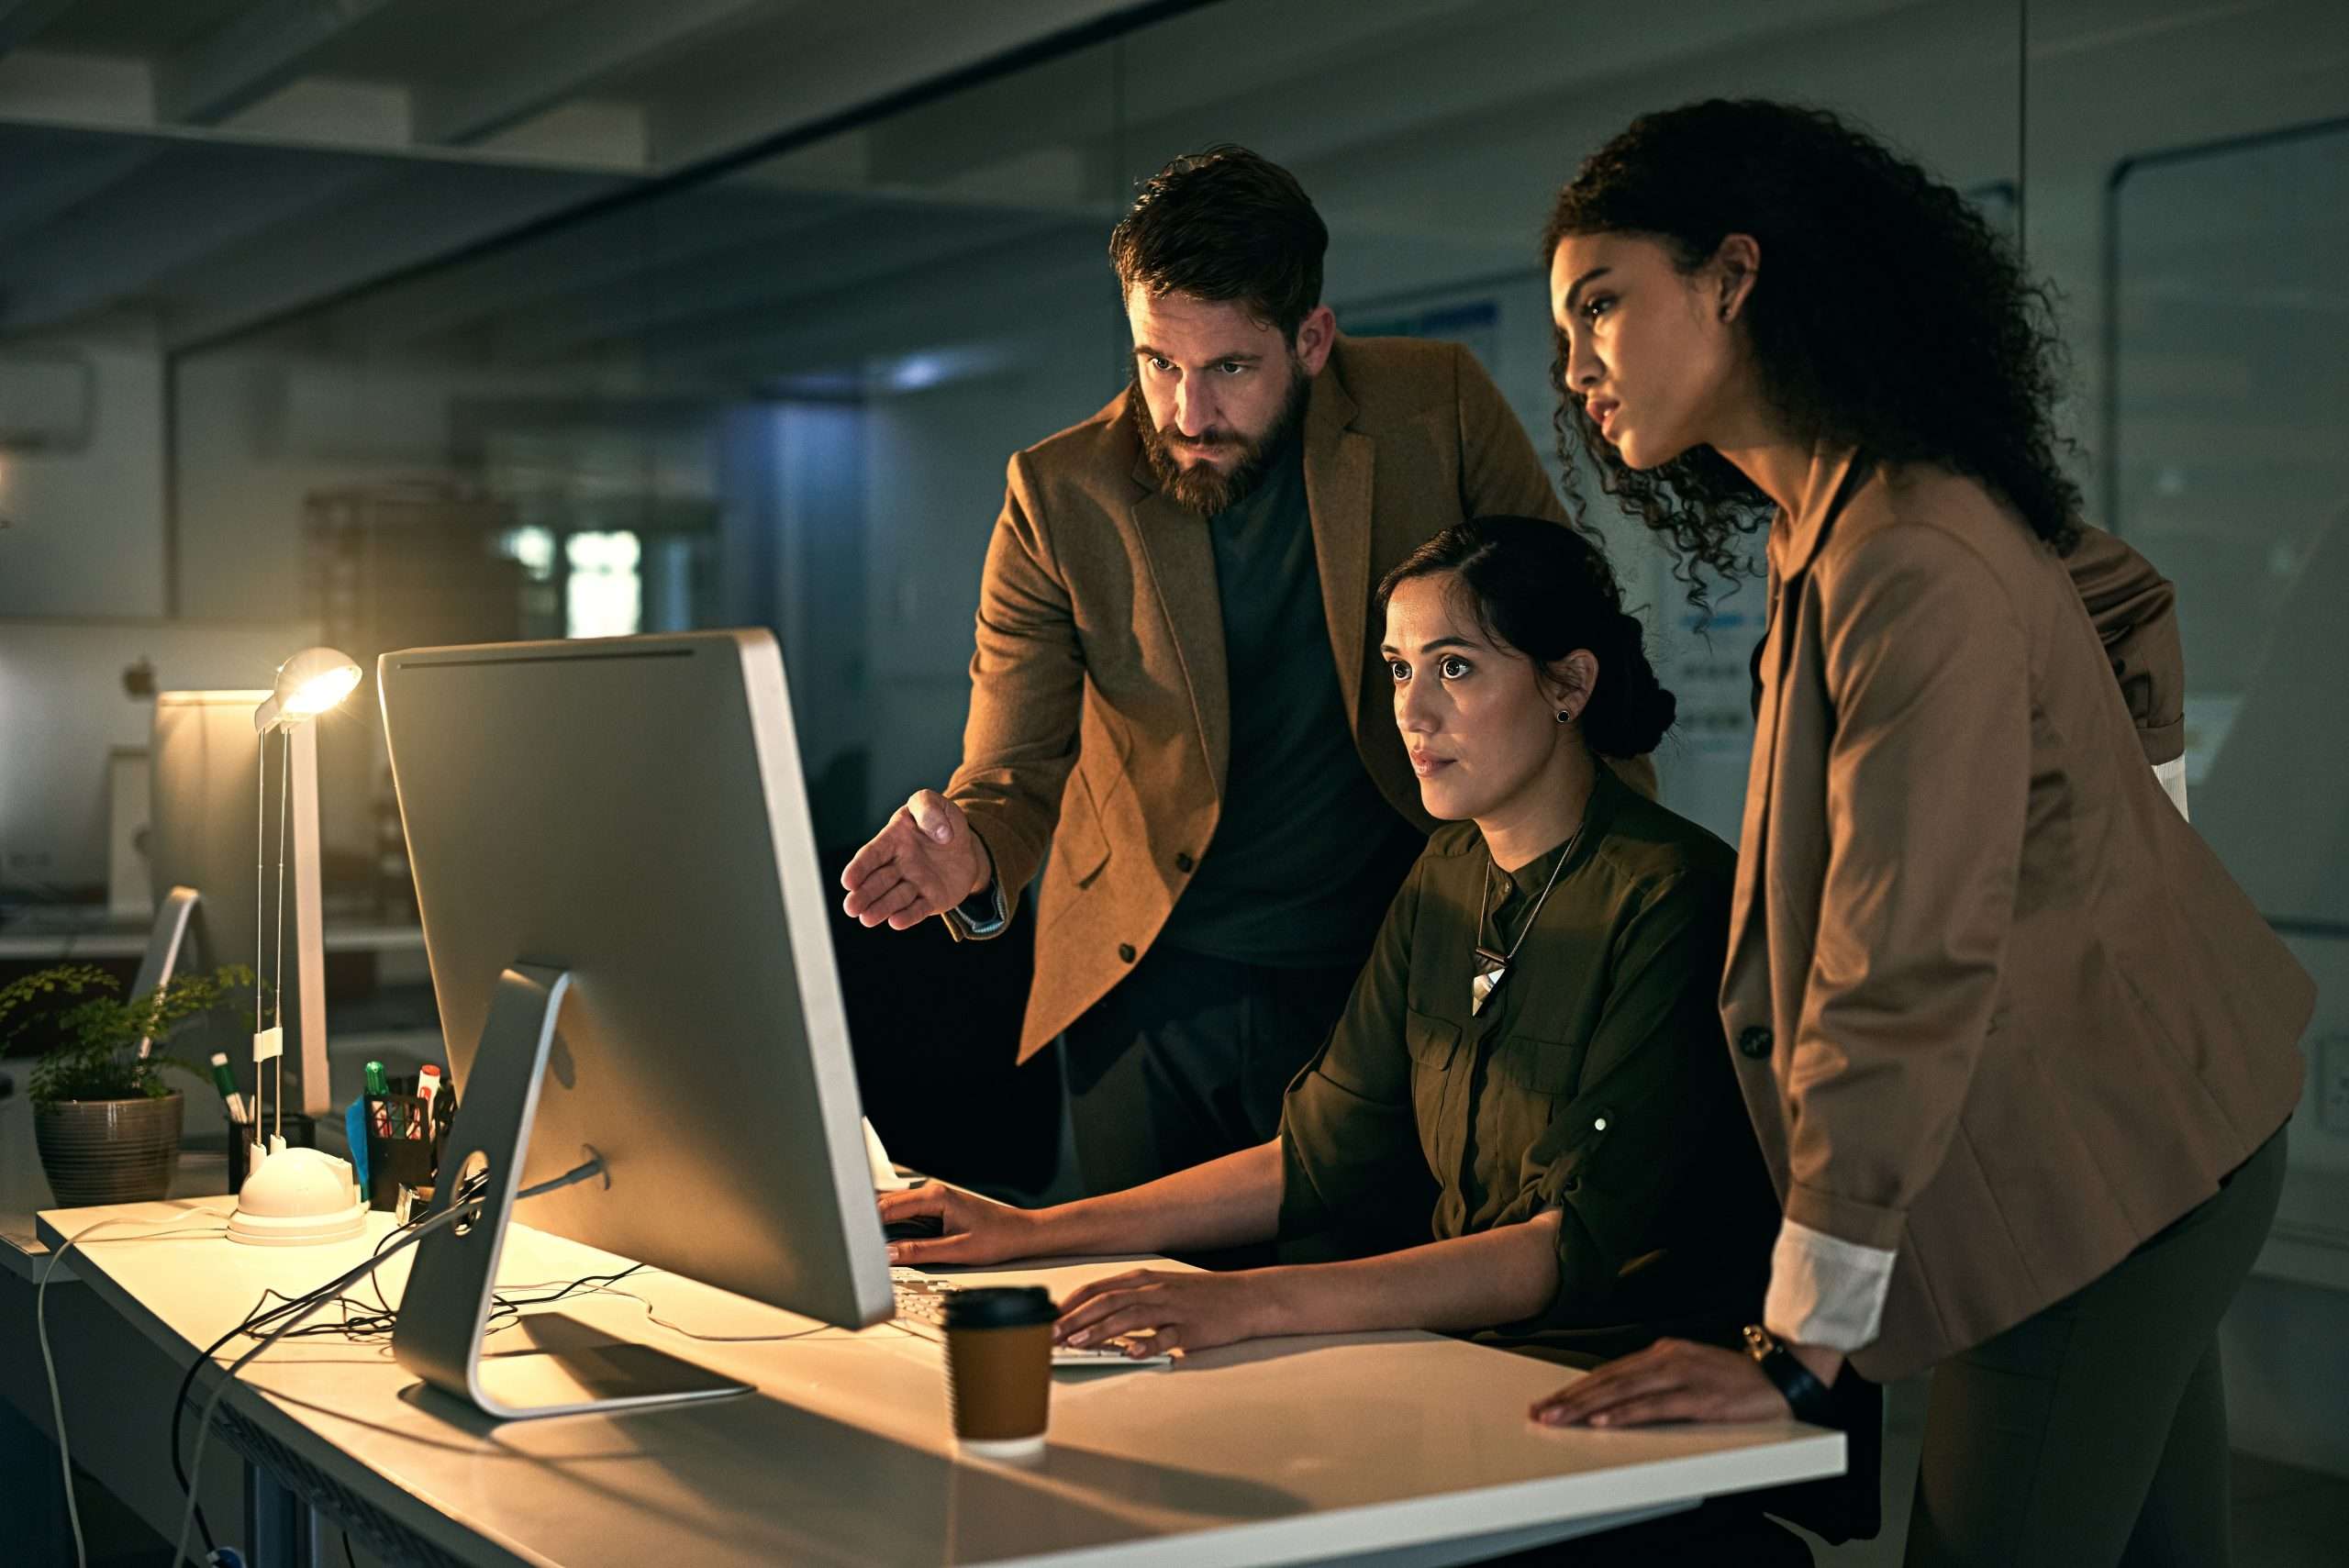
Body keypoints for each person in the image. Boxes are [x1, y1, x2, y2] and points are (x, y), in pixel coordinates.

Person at [1521, 99, 2311, 1568]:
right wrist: (2114, 870)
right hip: (2167, 1118)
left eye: (1602, 305)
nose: (1574, 368)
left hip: (2107, 1167)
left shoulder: (1904, 553)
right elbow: (2125, 594)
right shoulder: (1853, 508)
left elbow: (1901, 966)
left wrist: (1797, 1349)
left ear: (1736, 277)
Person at [883, 517, 1811, 1562]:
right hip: (1463, 1383)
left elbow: (1566, 1246)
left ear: (1568, 683)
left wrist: (1246, 1298)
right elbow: (1313, 1154)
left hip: (1613, 1410)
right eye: (1398, 667)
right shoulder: (1446, 875)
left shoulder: (1673, 893)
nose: (1411, 711)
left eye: (1455, 667)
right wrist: (1027, 1231)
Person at [839, 146, 1575, 1198]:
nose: (1186, 412)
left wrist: (1591, 908)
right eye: (1156, 363)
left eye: (1228, 367)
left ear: (1311, 340)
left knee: (1369, 1317)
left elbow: (1566, 642)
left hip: (1385, 969)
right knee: (1143, 1328)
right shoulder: (1059, 495)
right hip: (1145, 988)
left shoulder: (1433, 407)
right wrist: (969, 856)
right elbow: (1011, 771)